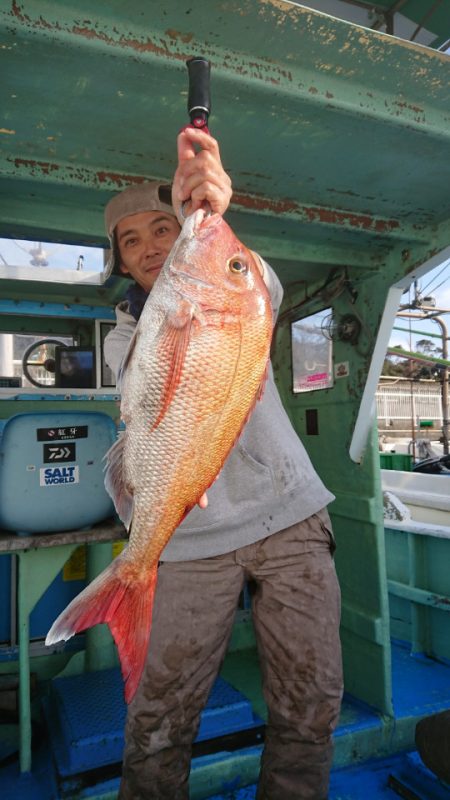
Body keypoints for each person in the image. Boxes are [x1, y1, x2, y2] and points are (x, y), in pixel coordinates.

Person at [104, 126, 343, 800]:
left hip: (290, 515)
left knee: (312, 701)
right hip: (186, 536)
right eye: (131, 240)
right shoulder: (125, 340)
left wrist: (209, 213)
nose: (151, 246)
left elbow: (254, 282)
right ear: (121, 262)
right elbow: (149, 396)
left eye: (163, 228)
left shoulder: (239, 292)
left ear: (183, 231)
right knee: (158, 720)